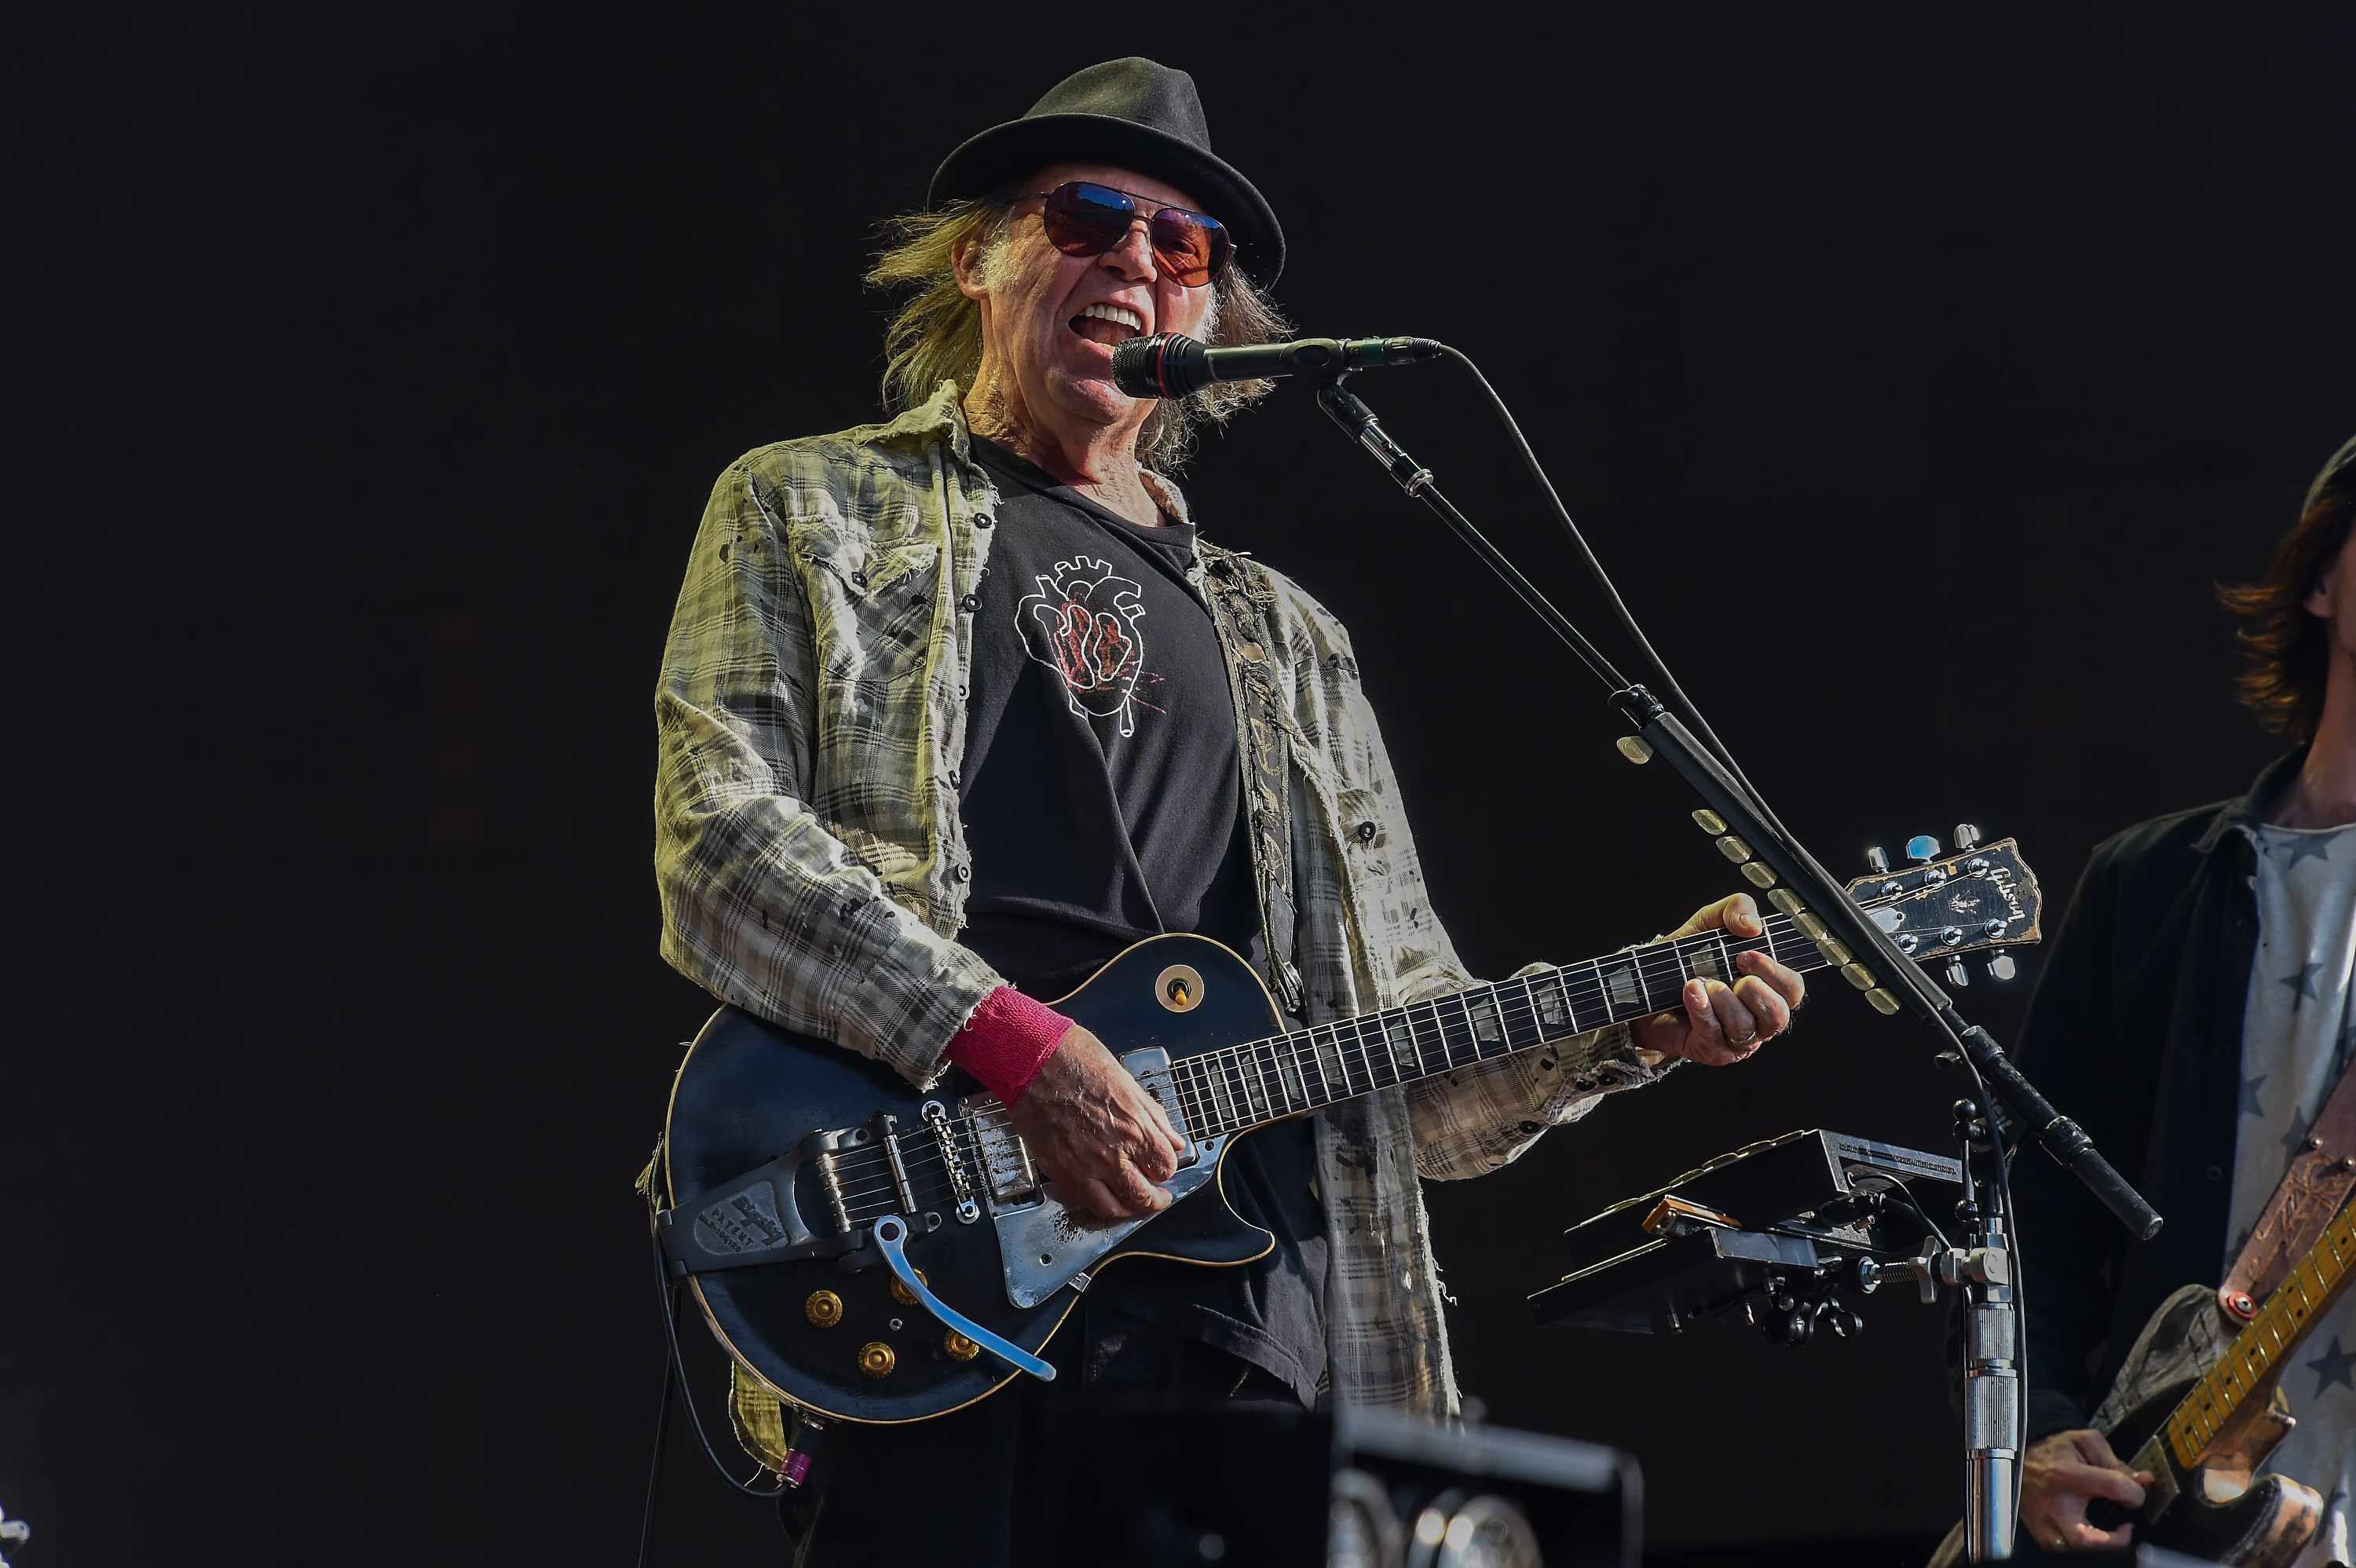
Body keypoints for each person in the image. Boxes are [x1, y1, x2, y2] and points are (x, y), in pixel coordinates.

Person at [652, 58, 1804, 1566]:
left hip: (1250, 1322)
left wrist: (1629, 1025)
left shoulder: (1290, 637)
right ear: (979, 256)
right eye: (1091, 215)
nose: (1135, 258)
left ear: (1211, 317)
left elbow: (1414, 1066)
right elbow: (720, 844)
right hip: (934, 1264)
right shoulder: (812, 505)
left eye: (1181, 248)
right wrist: (1020, 1049)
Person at [2011, 431, 2356, 1558]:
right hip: (2163, 1531)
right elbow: (2034, 1232)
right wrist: (2047, 1432)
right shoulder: (2147, 883)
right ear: (2321, 578)